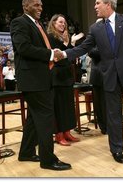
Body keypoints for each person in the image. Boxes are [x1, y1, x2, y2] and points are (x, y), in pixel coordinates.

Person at [55, 0, 123, 164]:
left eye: (97, 3)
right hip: (110, 76)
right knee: (113, 116)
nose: (95, 6)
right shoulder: (96, 28)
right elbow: (84, 47)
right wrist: (64, 53)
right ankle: (116, 149)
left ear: (108, 4)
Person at [10, 0, 71, 170]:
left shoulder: (37, 24)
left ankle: (26, 152)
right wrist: (51, 54)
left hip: (41, 78)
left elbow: (40, 47)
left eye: (41, 5)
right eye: (36, 4)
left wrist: (54, 51)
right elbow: (24, 48)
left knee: (34, 118)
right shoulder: (19, 22)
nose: (40, 8)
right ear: (25, 6)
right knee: (45, 118)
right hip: (33, 80)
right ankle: (48, 160)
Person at [46, 14, 83, 146]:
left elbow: (70, 55)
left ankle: (67, 132)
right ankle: (59, 134)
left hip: (67, 75)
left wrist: (71, 43)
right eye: (60, 22)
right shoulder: (50, 37)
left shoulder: (64, 38)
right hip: (57, 75)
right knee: (59, 106)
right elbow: (58, 55)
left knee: (67, 106)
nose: (63, 24)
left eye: (64, 22)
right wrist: (68, 43)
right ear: (54, 23)